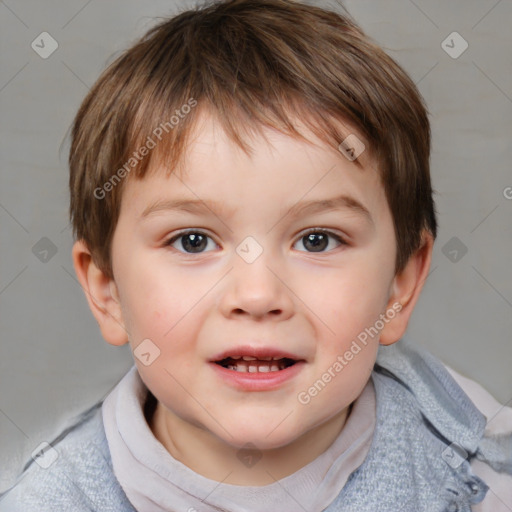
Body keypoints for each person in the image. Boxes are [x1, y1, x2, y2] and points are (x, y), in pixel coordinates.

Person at [1, 0, 511, 510]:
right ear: (107, 290)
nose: (258, 294)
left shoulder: (476, 468)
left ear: (399, 285)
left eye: (317, 239)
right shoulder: (50, 498)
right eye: (193, 241)